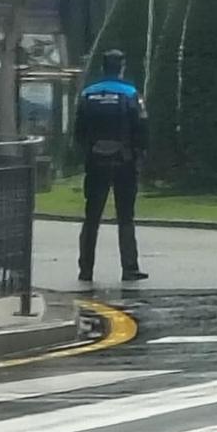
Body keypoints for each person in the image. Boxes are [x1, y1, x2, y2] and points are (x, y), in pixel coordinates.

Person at [75, 49, 149, 283]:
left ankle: (86, 269)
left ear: (102, 67)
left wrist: (88, 151)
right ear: (122, 68)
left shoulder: (88, 94)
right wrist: (139, 154)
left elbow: (78, 131)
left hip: (95, 161)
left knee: (92, 216)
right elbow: (142, 128)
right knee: (125, 216)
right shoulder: (131, 93)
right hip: (124, 161)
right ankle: (129, 268)